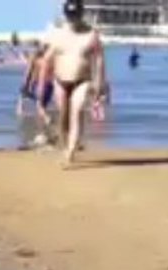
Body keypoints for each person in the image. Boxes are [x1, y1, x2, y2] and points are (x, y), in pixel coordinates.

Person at [39, 0, 106, 166]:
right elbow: (46, 60)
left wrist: (99, 83)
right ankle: (65, 144)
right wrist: (41, 88)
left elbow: (99, 59)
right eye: (70, 16)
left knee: (76, 112)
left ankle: (70, 153)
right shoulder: (56, 35)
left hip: (82, 80)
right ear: (66, 15)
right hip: (60, 80)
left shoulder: (91, 34)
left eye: (76, 15)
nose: (73, 19)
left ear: (81, 14)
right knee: (64, 116)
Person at [17, 42, 53, 123]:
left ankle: (47, 119)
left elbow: (28, 73)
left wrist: (25, 85)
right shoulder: (50, 61)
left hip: (38, 84)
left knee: (38, 107)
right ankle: (41, 125)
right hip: (49, 86)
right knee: (42, 106)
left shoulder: (34, 60)